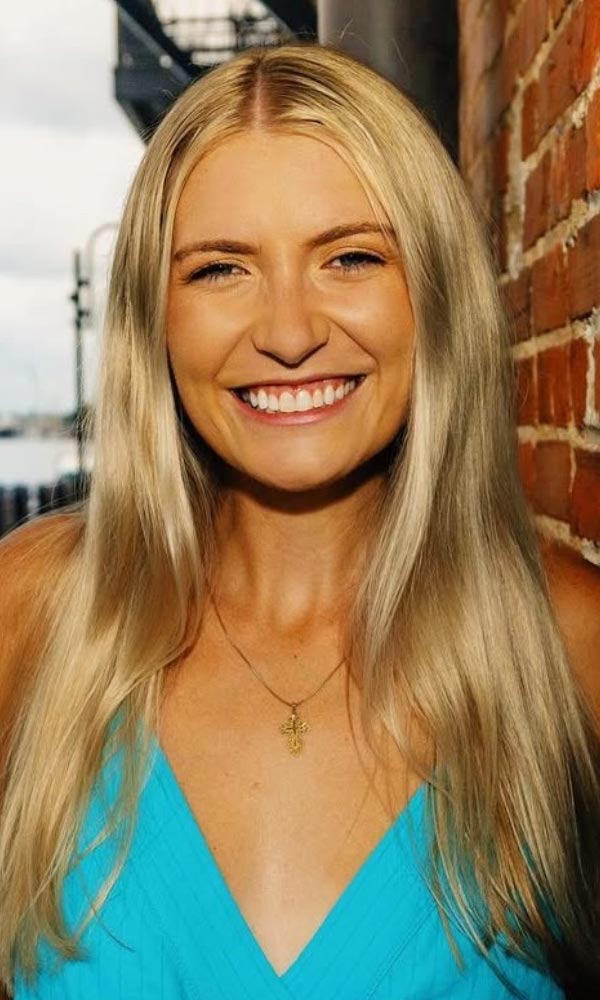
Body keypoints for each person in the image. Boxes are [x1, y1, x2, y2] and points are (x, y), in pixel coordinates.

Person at [1, 40, 599, 1000]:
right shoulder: (35, 615)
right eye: (220, 270)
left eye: (351, 256)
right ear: (154, 316)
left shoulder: (567, 645)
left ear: (435, 294)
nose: (287, 332)